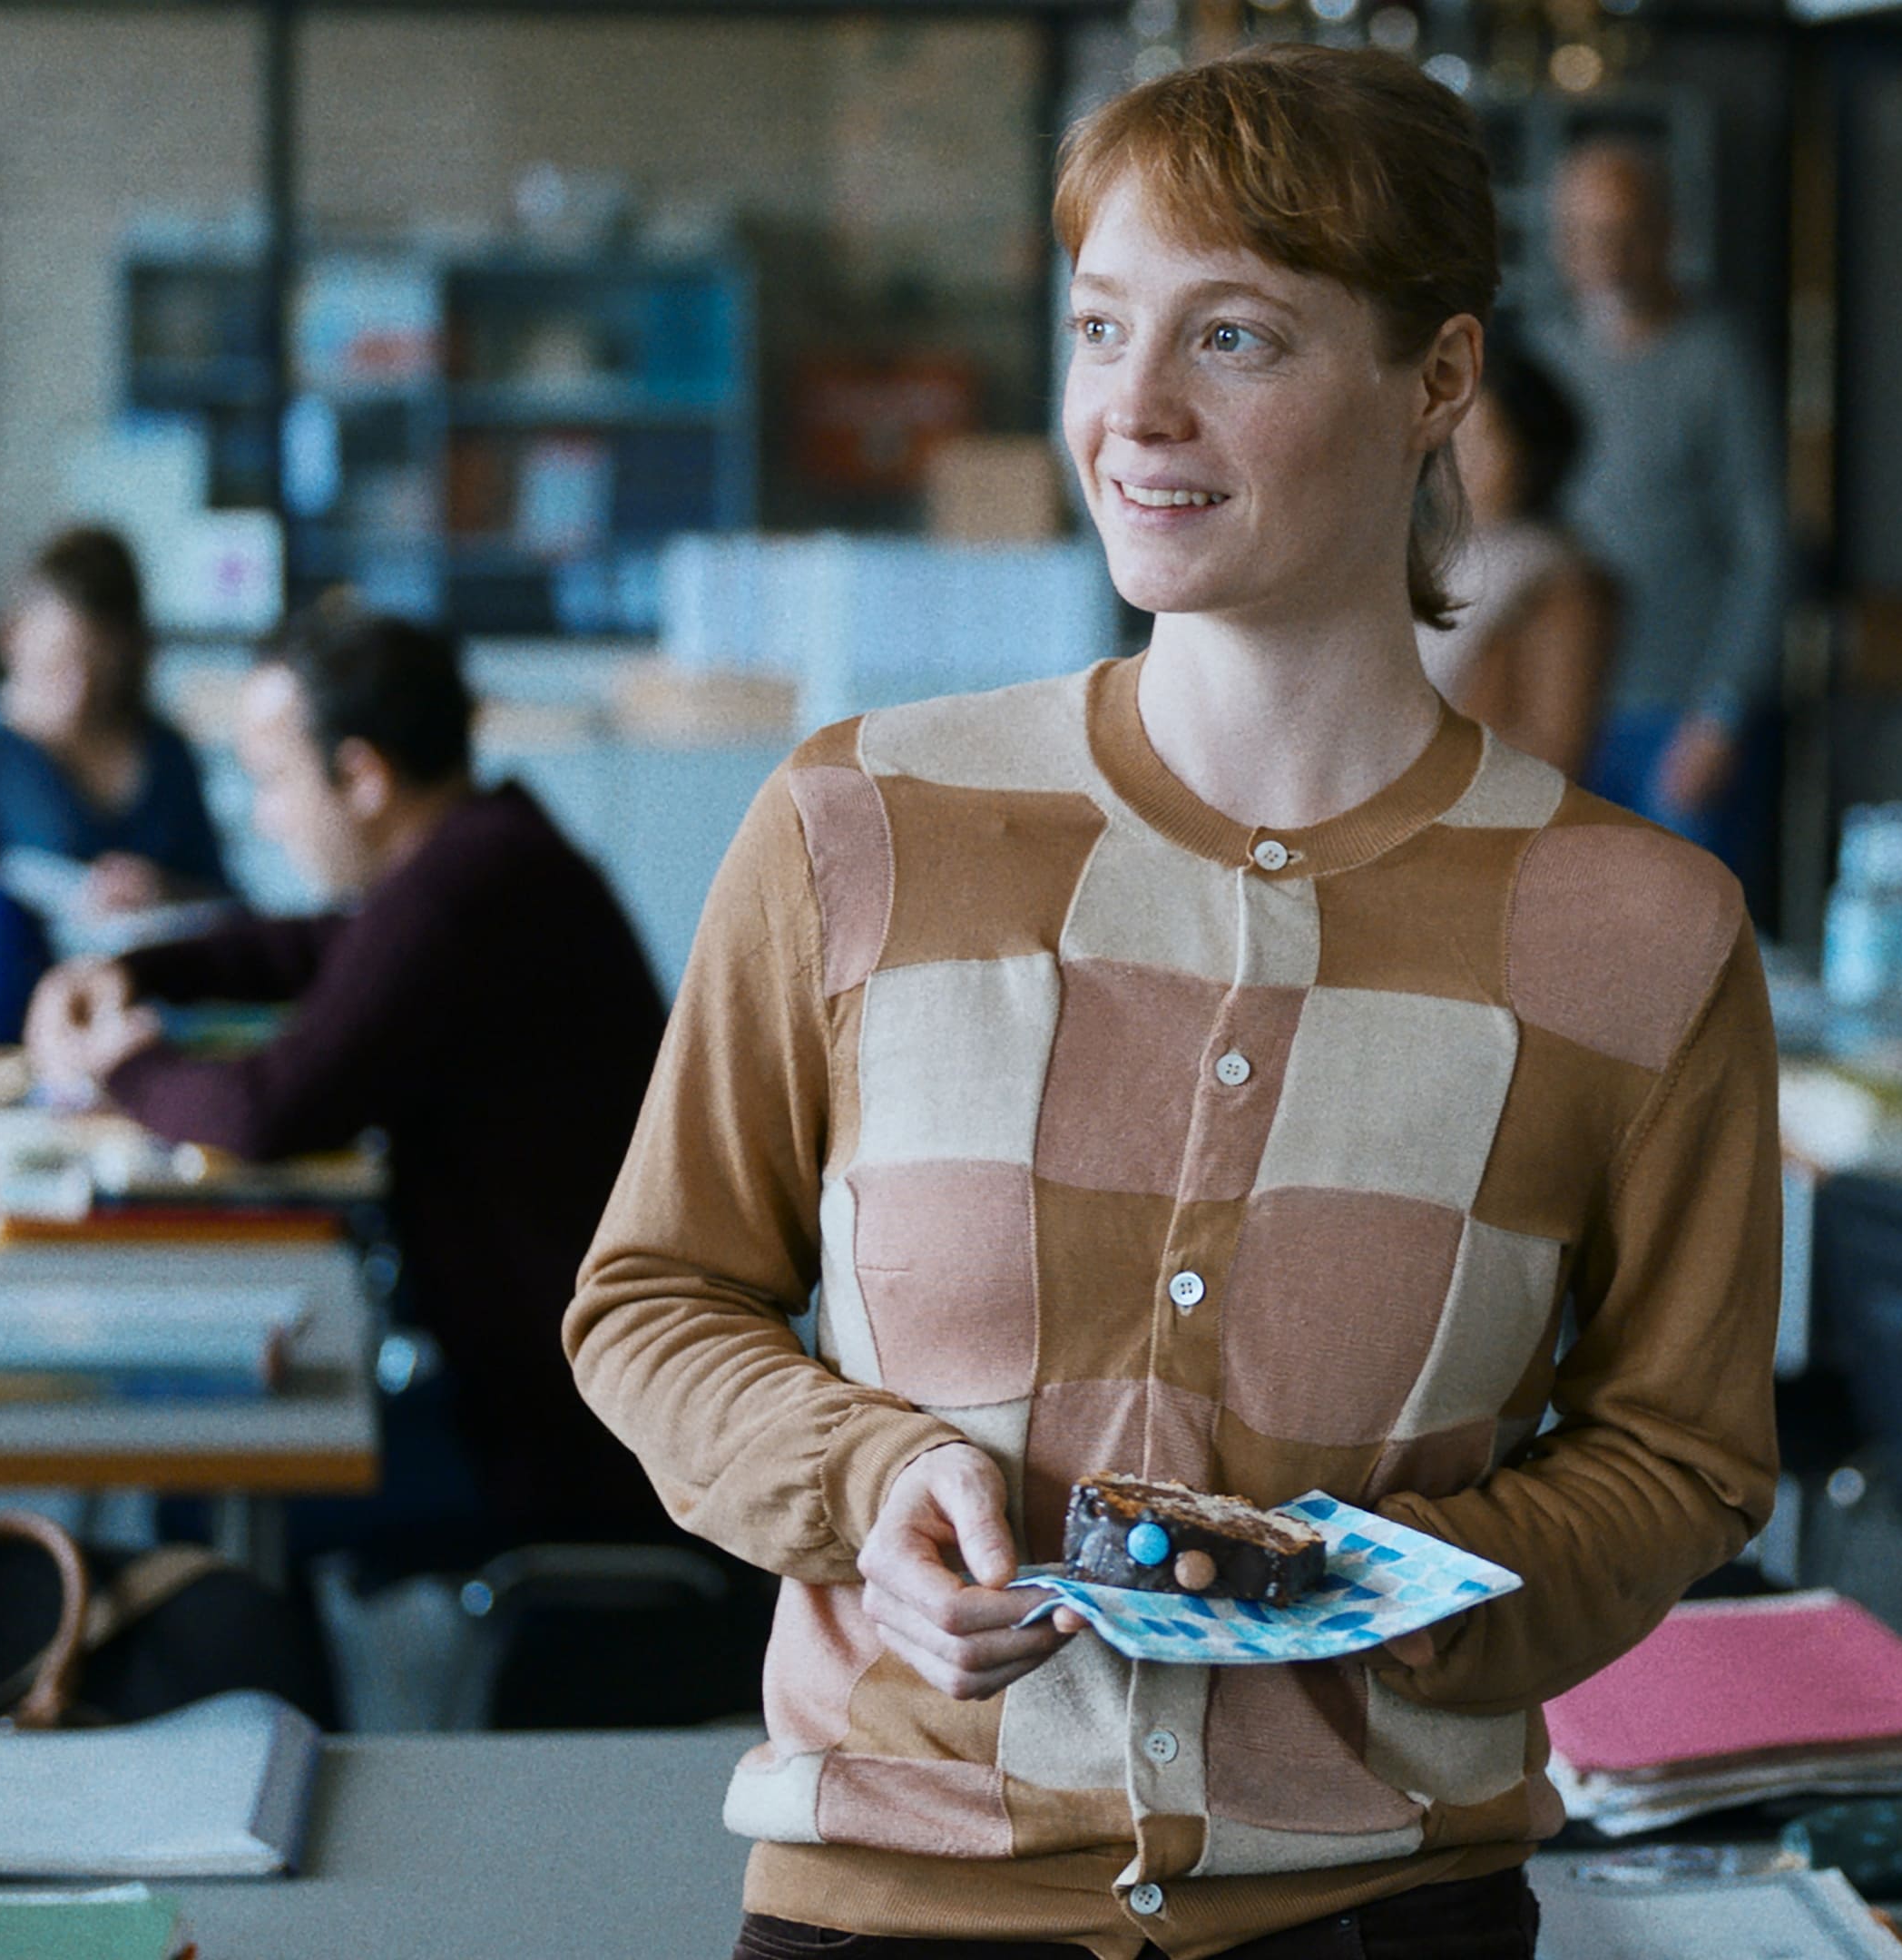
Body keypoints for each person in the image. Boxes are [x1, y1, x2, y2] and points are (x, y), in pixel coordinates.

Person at [566, 44, 1778, 1960]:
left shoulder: (1643, 931)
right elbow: (651, 1302)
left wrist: (1411, 1587)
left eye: (1233, 338)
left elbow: (1684, 1453)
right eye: (1098, 327)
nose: (1131, 410)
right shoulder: (858, 824)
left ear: (1438, 377)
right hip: (895, 1901)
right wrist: (875, 1482)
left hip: (1380, 1918)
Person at [24, 609, 671, 1560]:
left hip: (551, 1442)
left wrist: (120, 1062)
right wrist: (134, 971)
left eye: (273, 779)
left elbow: (265, 1111)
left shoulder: (459, 895)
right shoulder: (487, 852)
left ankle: (292, 1665)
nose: (264, 815)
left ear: (362, 777)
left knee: (198, 1504)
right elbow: (320, 948)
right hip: (547, 1398)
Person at [1531, 142, 1786, 869]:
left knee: (1682, 920)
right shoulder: (1545, 357)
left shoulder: (1717, 357)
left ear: (1669, 234)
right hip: (1565, 706)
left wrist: (1722, 712)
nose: (1605, 258)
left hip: (1680, 716)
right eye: (1584, 236)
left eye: (1625, 234)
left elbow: (1767, 543)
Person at [0, 525, 233, 936]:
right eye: (58, 664)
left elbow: (223, 897)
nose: (78, 694)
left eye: (98, 671)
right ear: (13, 638)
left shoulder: (164, 752)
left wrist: (161, 890)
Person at [1414, 339, 1614, 776]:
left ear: (1529, 451)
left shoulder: (1562, 582)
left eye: (1483, 441)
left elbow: (1554, 752)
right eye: (1450, 443)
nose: (1459, 464)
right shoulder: (1429, 557)